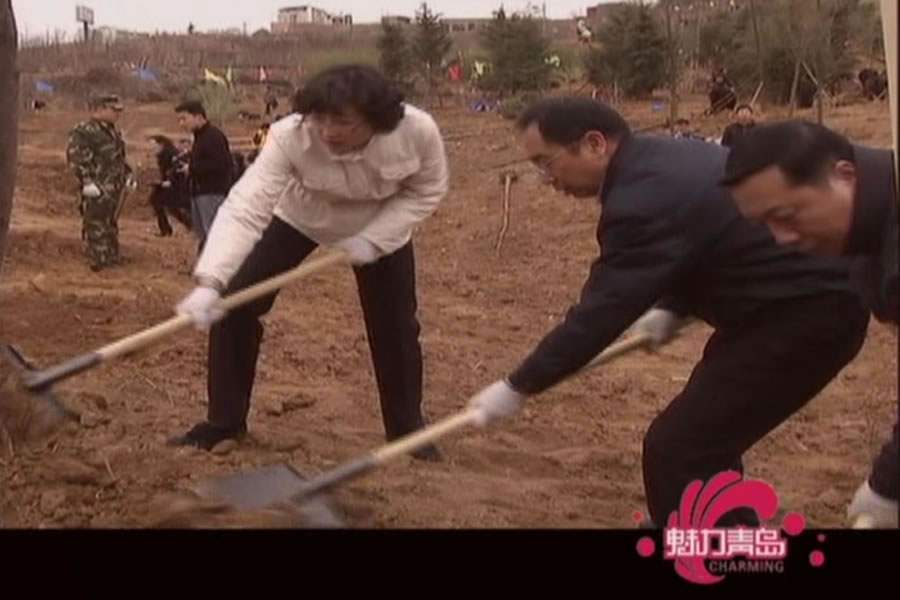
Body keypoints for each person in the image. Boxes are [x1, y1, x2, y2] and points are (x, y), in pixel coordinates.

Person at [464, 97, 869, 528]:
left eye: (546, 163)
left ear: (594, 144)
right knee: (699, 443)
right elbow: (703, 237)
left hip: (804, 317)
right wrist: (673, 306)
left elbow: (599, 314)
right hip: (779, 308)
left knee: (680, 448)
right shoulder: (660, 159)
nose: (547, 179)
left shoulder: (639, 199)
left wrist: (518, 385)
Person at [167, 64, 450, 460]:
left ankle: (406, 430)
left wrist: (375, 239)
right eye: (319, 119)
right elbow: (247, 206)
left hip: (380, 227)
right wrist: (211, 280)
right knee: (233, 306)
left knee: (396, 328)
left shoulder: (417, 131)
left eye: (343, 122)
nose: (328, 131)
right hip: (301, 217)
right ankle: (224, 422)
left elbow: (427, 190)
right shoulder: (290, 135)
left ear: (375, 119)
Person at [721, 119, 898, 528]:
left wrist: (889, 485)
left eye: (786, 216)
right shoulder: (864, 244)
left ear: (844, 174)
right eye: (765, 224)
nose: (781, 238)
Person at [66, 94, 132, 271]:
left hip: (113, 186)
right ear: (101, 108)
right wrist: (87, 181)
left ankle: (111, 255)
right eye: (114, 110)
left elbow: (118, 157)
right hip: (97, 185)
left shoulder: (113, 131)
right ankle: (98, 258)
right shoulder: (84, 131)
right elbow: (77, 157)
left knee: (110, 221)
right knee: (95, 221)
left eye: (120, 110)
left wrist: (127, 175)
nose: (118, 114)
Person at [175, 101, 234, 249]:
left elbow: (223, 164)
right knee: (203, 237)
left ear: (198, 116)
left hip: (212, 194)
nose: (182, 124)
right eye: (179, 120)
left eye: (184, 118)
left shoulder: (213, 136)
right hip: (199, 193)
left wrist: (193, 169)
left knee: (214, 235)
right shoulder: (200, 137)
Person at [147, 135, 192, 237]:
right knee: (162, 203)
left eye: (154, 146)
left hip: (178, 186)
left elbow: (178, 170)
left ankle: (170, 229)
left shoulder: (170, 154)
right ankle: (174, 227)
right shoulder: (162, 155)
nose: (151, 149)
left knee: (162, 202)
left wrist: (170, 181)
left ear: (161, 145)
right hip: (170, 185)